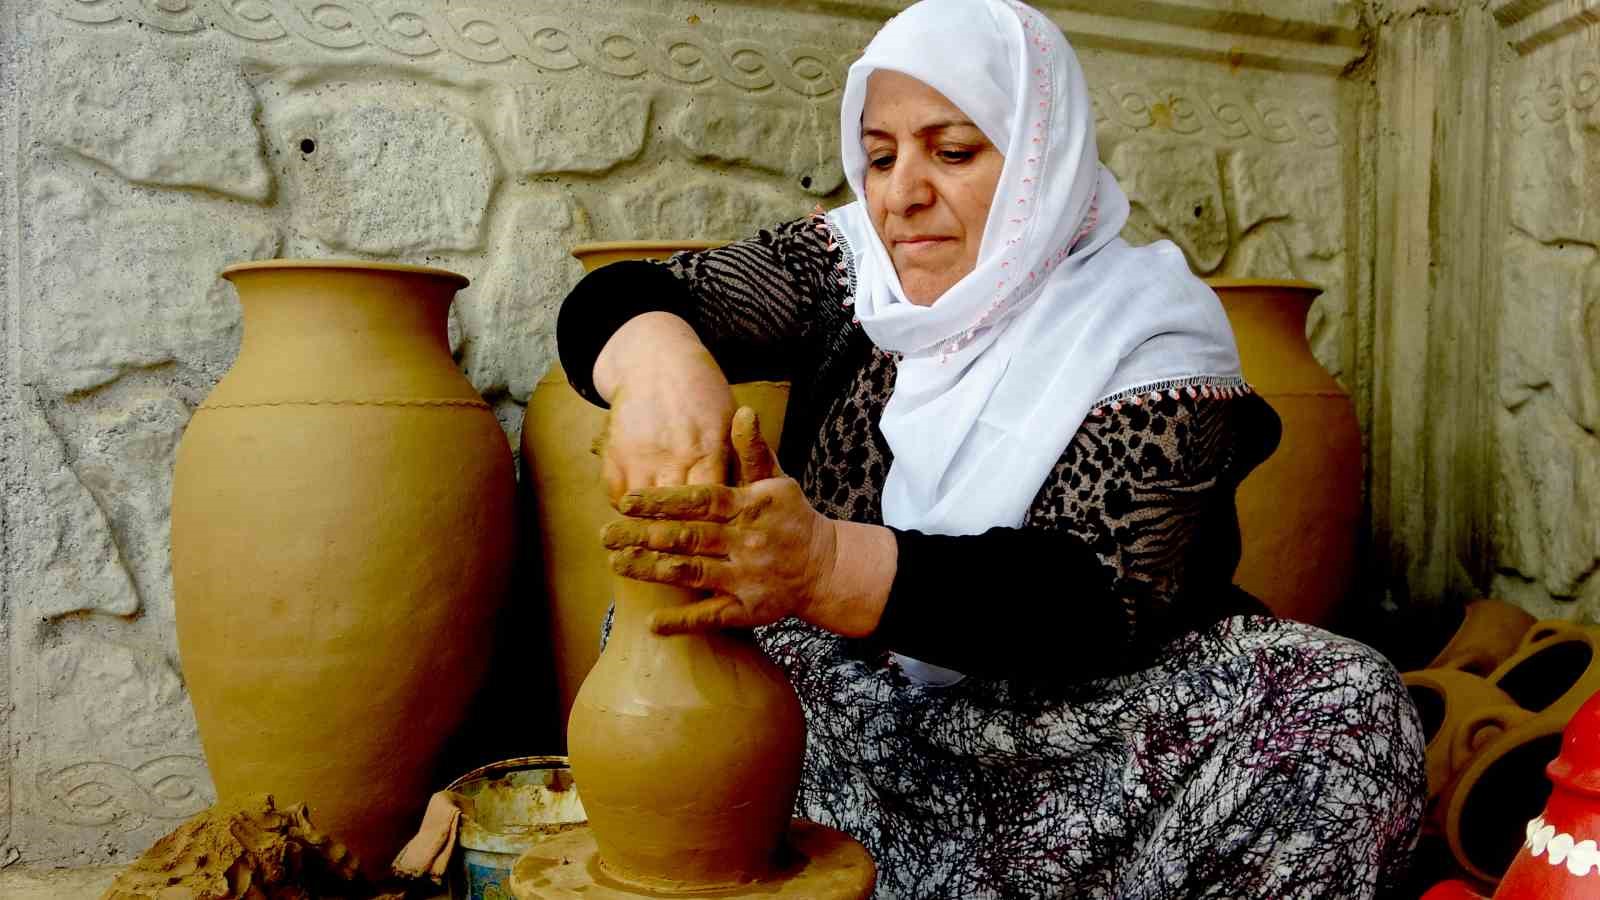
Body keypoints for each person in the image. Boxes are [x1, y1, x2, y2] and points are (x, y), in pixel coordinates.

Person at [554, 1, 1426, 896]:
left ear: (1042, 154)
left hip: (1092, 740)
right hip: (880, 735)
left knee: (1343, 700)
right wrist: (661, 364)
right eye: (881, 156)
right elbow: (620, 297)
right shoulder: (859, 269)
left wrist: (822, 565)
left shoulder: (1151, 336)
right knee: (669, 636)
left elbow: (1092, 598)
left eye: (955, 151)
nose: (903, 193)